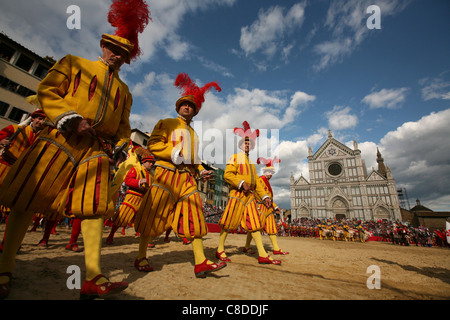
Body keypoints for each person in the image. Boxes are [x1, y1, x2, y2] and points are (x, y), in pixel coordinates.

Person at [0, 0, 151, 299]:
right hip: (59, 138)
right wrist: (71, 119)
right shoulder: (73, 62)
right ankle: (5, 267)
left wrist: (119, 147)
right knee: (26, 200)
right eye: (113, 49)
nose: (117, 56)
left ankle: (93, 276)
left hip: (96, 151)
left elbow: (123, 126)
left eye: (123, 54)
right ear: (103, 45)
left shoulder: (126, 92)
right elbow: (46, 91)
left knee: (94, 208)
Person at [133, 73, 226, 278]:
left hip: (186, 180)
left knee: (195, 216)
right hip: (166, 175)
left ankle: (200, 261)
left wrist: (201, 170)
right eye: (184, 104)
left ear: (195, 111)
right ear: (178, 107)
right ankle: (140, 256)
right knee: (152, 215)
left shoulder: (195, 135)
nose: (187, 107)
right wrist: (173, 153)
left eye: (191, 106)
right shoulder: (166, 122)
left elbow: (194, 158)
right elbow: (154, 144)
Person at [217, 121, 281, 265]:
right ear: (240, 145)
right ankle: (220, 248)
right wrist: (241, 183)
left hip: (250, 197)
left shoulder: (251, 164)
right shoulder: (234, 157)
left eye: (250, 144)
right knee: (228, 222)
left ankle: (263, 254)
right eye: (245, 143)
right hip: (237, 195)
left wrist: (264, 196)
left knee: (255, 223)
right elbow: (228, 175)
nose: (248, 145)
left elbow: (257, 183)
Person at [0, 107, 46, 251]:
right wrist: (1, 141)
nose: (40, 121)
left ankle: (7, 243)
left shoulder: (43, 139)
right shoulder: (14, 128)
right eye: (38, 118)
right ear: (33, 118)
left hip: (21, 173)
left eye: (43, 119)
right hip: (3, 166)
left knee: (13, 209)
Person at [106, 147, 155, 251]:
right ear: (144, 162)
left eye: (152, 163)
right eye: (150, 162)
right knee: (122, 217)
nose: (152, 165)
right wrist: (138, 182)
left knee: (143, 220)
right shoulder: (135, 169)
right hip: (132, 197)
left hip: (143, 200)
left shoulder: (151, 176)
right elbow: (128, 181)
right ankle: (110, 236)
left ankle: (144, 240)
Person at [244, 156, 289, 255]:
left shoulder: (266, 182)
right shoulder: (260, 180)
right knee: (256, 228)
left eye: (272, 173)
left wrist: (275, 206)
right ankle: (247, 246)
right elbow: (259, 194)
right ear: (265, 171)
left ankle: (276, 248)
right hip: (260, 207)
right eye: (270, 172)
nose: (271, 175)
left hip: (268, 208)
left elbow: (268, 197)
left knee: (272, 228)